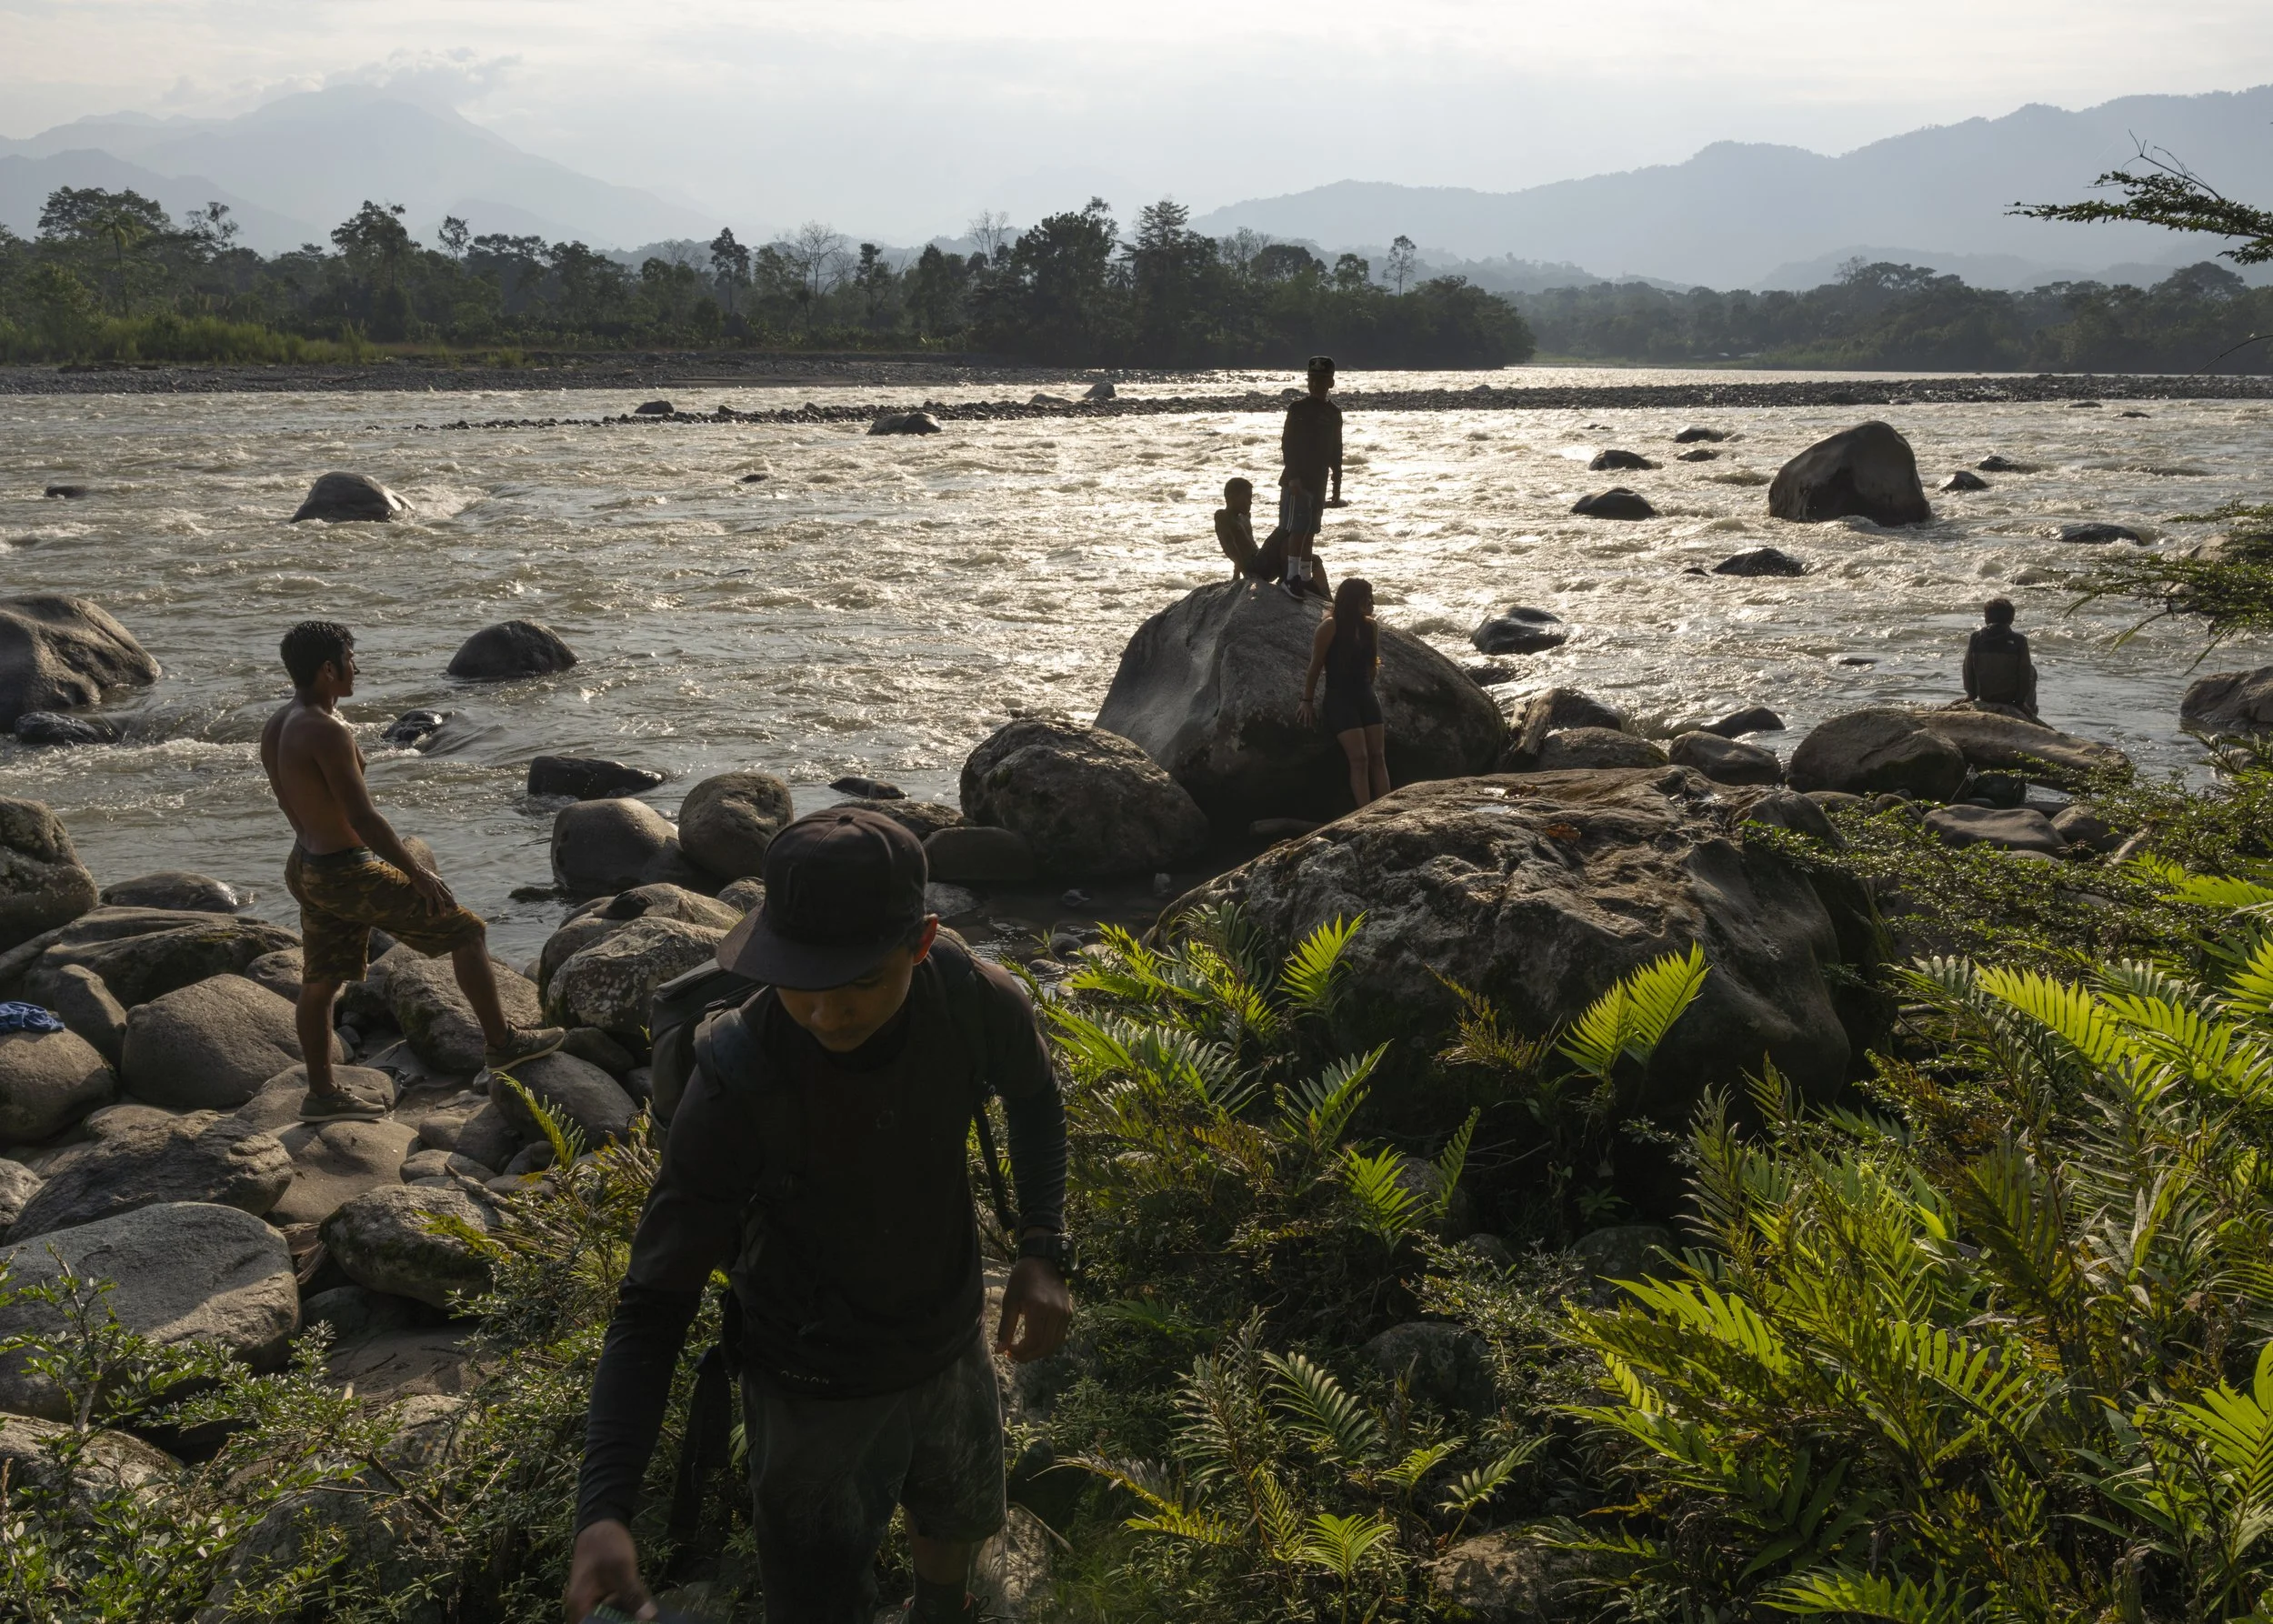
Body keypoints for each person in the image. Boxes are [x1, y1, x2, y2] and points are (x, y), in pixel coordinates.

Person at [565, 807, 1074, 1624]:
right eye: (802, 980)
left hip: (948, 1344)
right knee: (818, 1598)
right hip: (811, 1390)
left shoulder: (975, 1000)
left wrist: (1042, 1250)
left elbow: (1037, 1102)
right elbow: (653, 1305)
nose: (829, 1014)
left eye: (861, 981)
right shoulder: (734, 1082)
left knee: (957, 1520)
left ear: (921, 940)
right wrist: (603, 1512)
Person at [260, 620, 563, 1121]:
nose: (358, 667)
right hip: (344, 871)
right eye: (351, 659)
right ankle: (503, 1043)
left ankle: (321, 1095)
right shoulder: (325, 728)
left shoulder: (279, 722)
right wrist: (416, 873)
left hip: (306, 865)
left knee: (320, 981)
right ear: (329, 668)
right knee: (466, 931)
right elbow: (361, 817)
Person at [1298, 577, 1389, 808]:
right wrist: (1306, 701)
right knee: (1360, 759)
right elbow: (1315, 665)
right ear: (1353, 601)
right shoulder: (1330, 627)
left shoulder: (1371, 626)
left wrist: (1369, 680)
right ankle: (1366, 813)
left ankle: (1386, 810)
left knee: (1378, 757)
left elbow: (1372, 664)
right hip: (1340, 698)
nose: (1372, 603)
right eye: (1367, 599)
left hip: (1365, 695)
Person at [1277, 355, 1342, 598]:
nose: (1316, 384)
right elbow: (1287, 444)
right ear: (1307, 382)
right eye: (1313, 379)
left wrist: (1337, 482)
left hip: (1319, 480)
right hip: (1298, 480)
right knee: (1298, 527)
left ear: (1331, 383)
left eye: (1322, 380)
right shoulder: (1297, 409)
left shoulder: (1333, 413)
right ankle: (1290, 577)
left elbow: (1337, 448)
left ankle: (1305, 577)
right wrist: (1293, 477)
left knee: (1311, 529)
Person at [1962, 597, 2039, 718]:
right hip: (2009, 700)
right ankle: (2031, 710)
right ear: (2012, 619)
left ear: (1986, 618)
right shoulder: (2019, 640)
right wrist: (2020, 702)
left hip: (1985, 696)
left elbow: (1968, 668)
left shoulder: (1976, 637)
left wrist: (1971, 695)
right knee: (2031, 670)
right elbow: (2024, 673)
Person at [1214, 476, 1263, 578]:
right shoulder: (1223, 516)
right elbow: (1230, 545)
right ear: (1232, 497)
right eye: (1247, 497)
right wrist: (1240, 574)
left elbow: (1245, 544)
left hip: (1260, 562)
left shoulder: (1245, 517)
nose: (1250, 502)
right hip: (1252, 567)